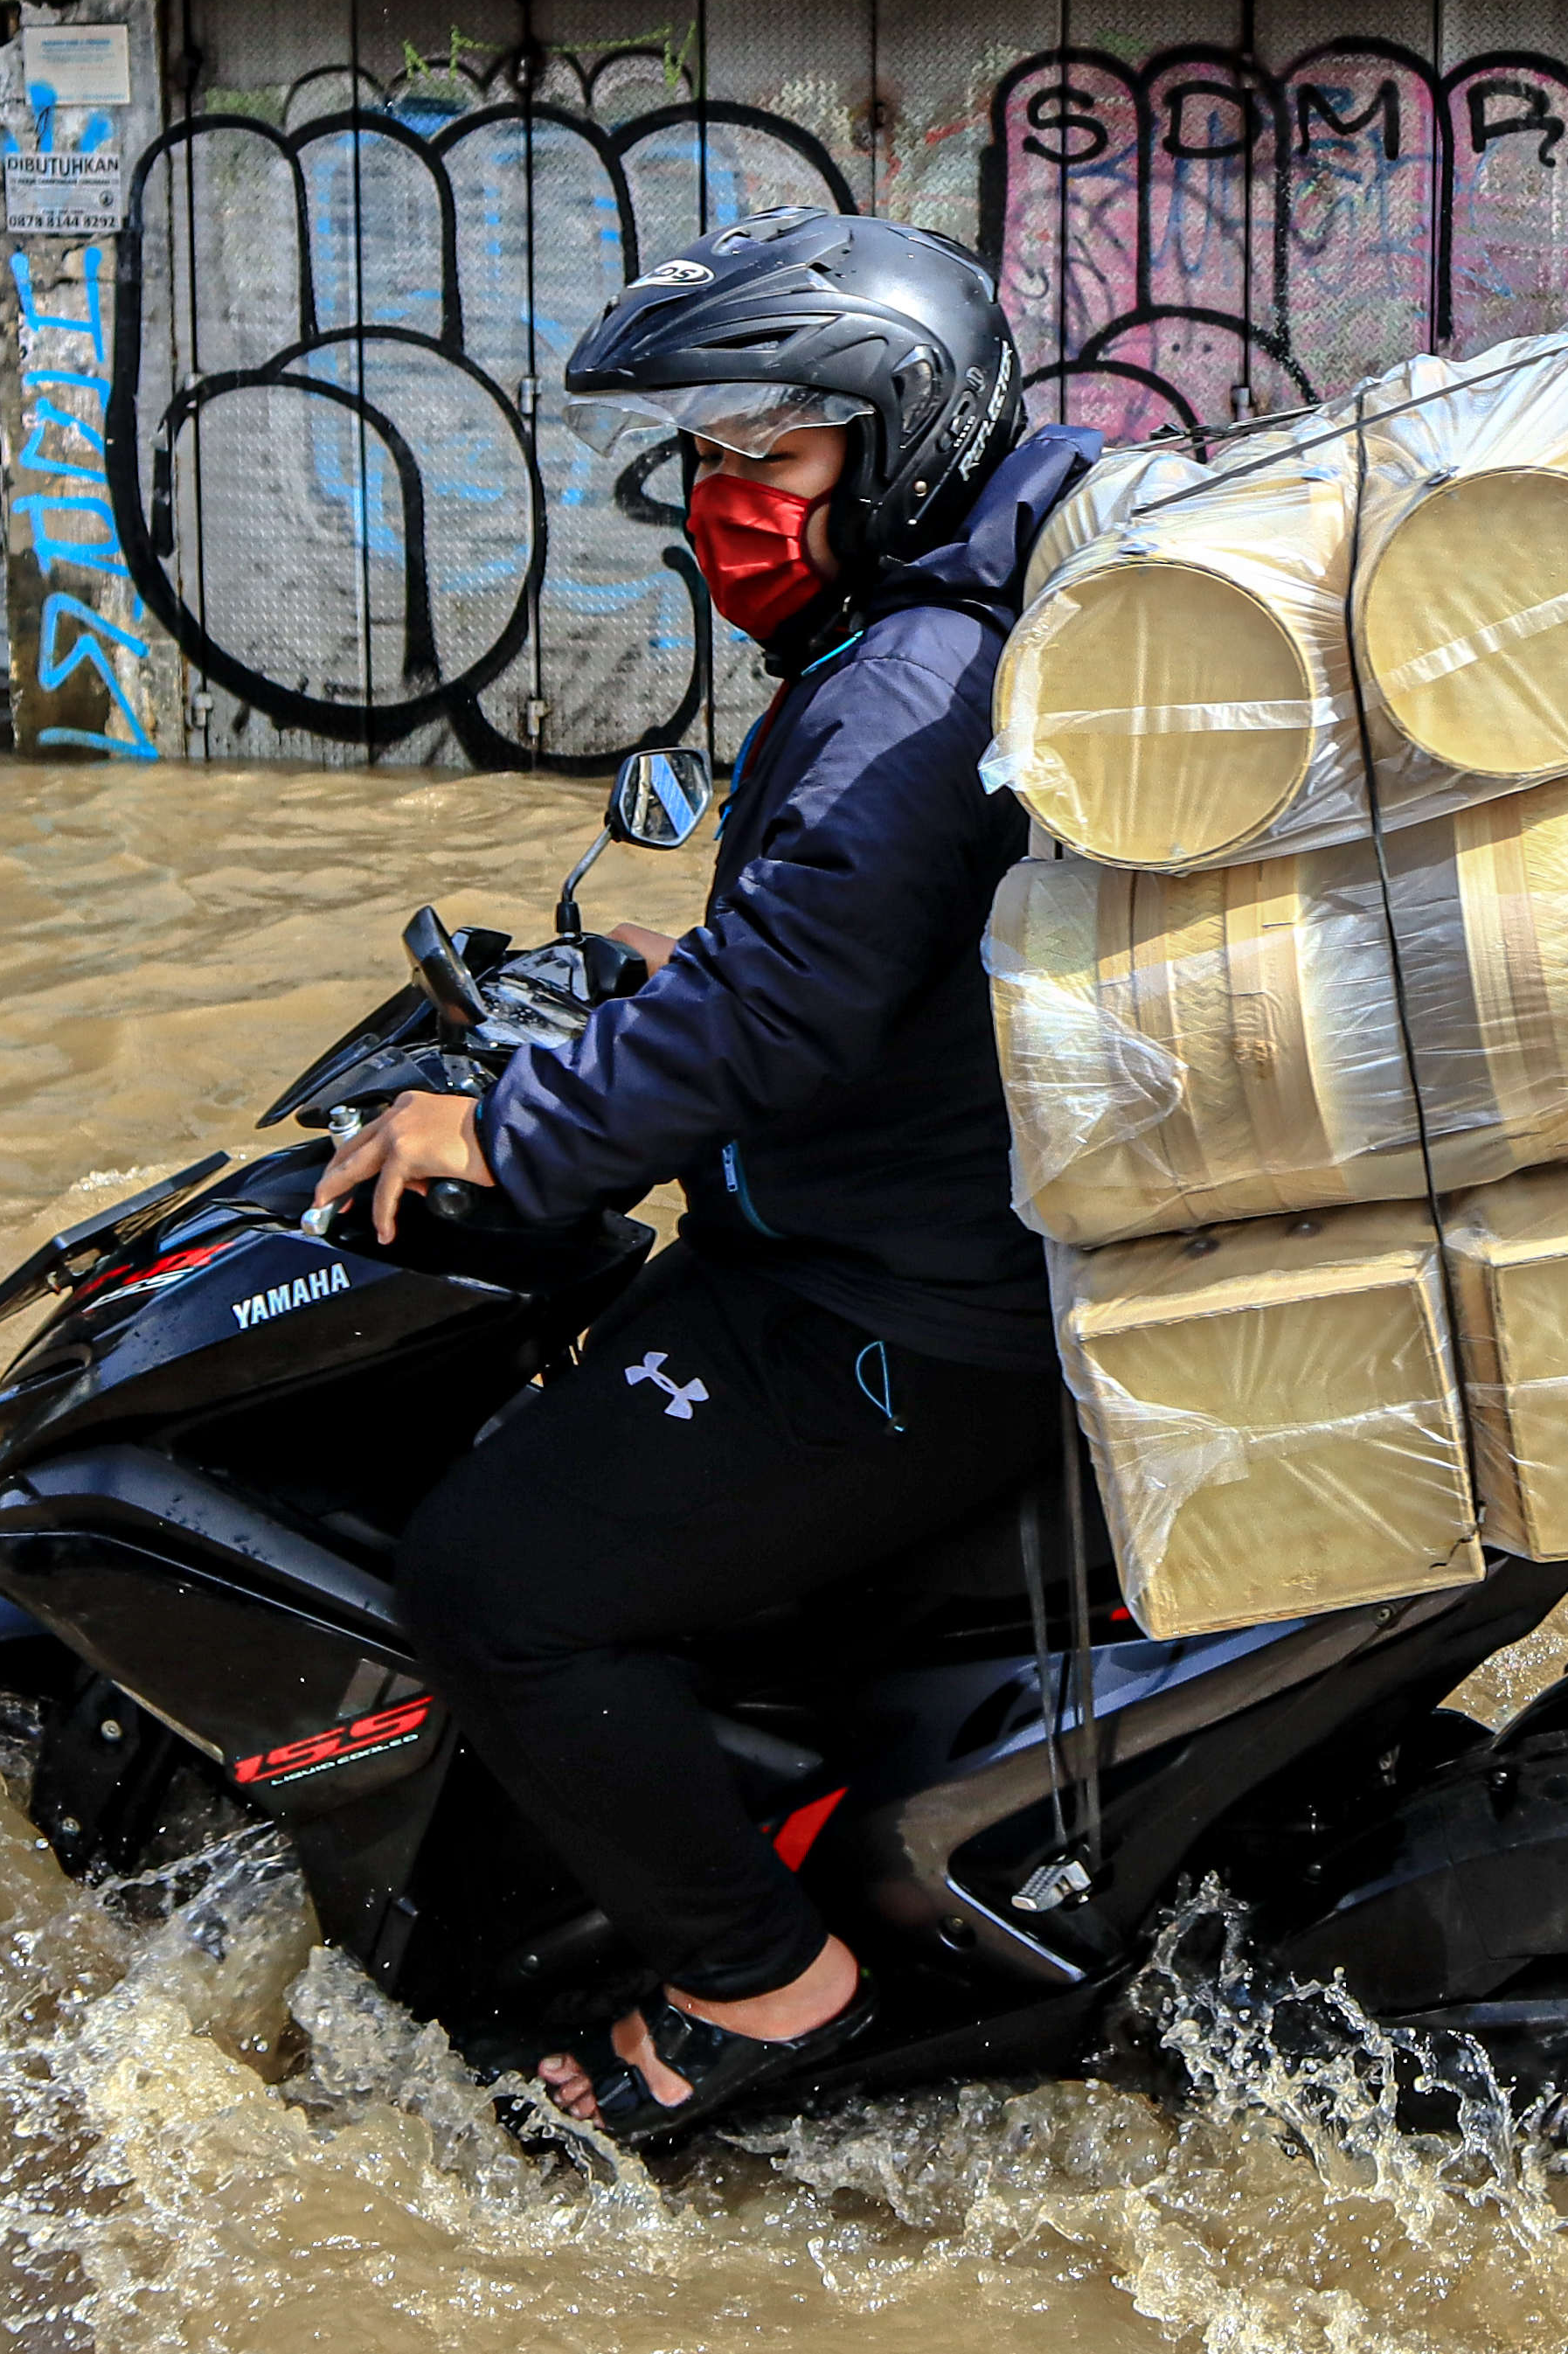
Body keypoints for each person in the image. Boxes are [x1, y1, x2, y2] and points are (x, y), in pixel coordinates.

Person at [317, 208, 1098, 2145]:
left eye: (775, 452)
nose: (729, 497)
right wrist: (669, 979)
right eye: (716, 459)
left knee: (492, 1577)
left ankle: (762, 1979)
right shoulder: (911, 635)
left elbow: (781, 1012)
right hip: (881, 1227)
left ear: (900, 434)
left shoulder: (907, 681)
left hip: (892, 1310)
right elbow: (837, 953)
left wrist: (504, 1128)